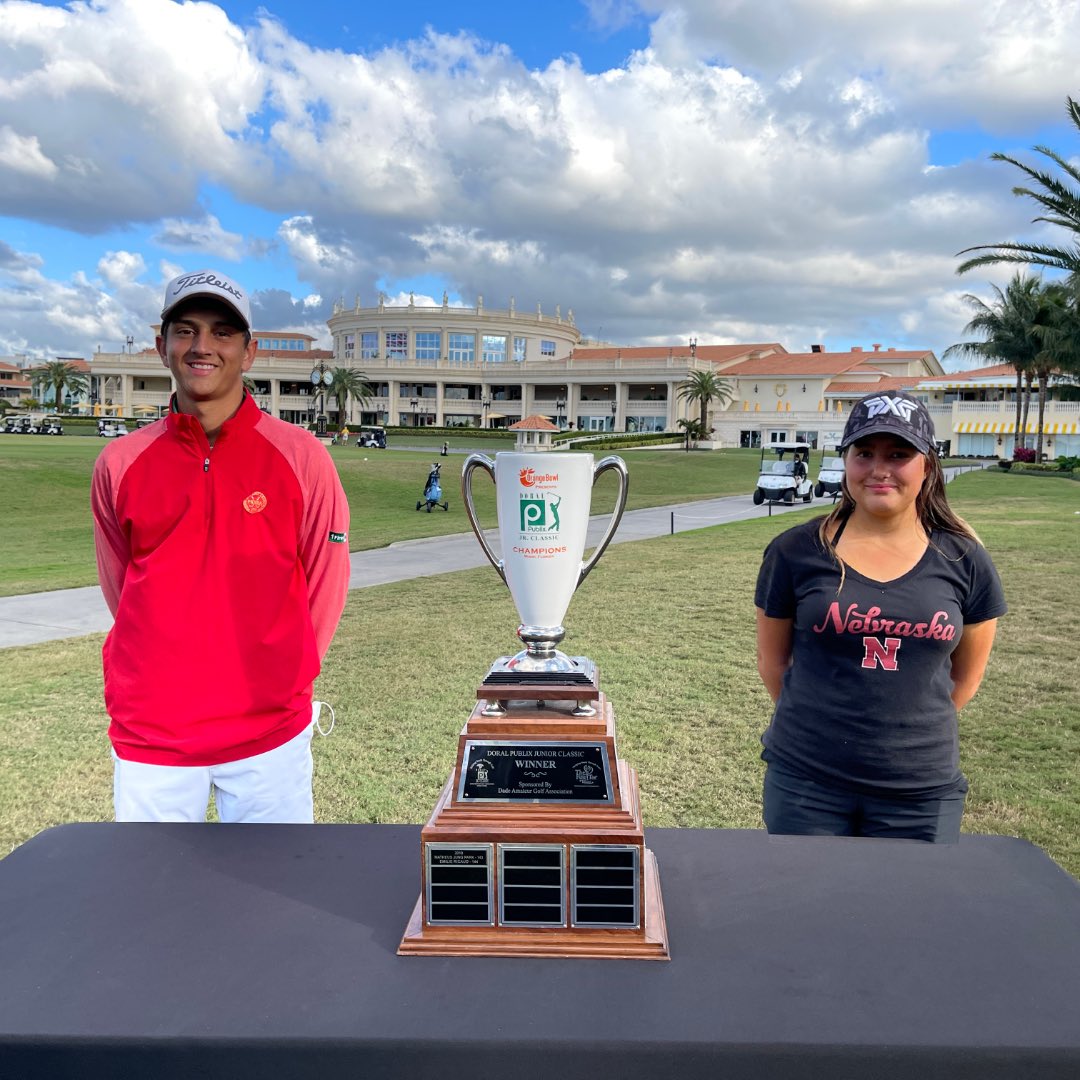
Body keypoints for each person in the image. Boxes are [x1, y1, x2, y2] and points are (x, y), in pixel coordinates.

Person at [91, 270, 351, 824]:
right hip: (153, 733)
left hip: (269, 730)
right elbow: (121, 588)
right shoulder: (120, 462)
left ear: (249, 351)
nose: (202, 346)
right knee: (154, 898)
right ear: (162, 347)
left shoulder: (302, 457)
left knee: (272, 898)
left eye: (222, 332)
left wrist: (287, 674)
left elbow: (326, 581)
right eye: (185, 331)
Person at [754, 391, 1006, 842]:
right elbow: (773, 664)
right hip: (806, 782)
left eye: (898, 454)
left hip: (920, 789)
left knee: (907, 910)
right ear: (846, 459)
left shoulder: (965, 559)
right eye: (864, 453)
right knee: (804, 906)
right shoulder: (794, 551)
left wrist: (902, 735)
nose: (879, 469)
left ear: (927, 464)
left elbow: (966, 677)